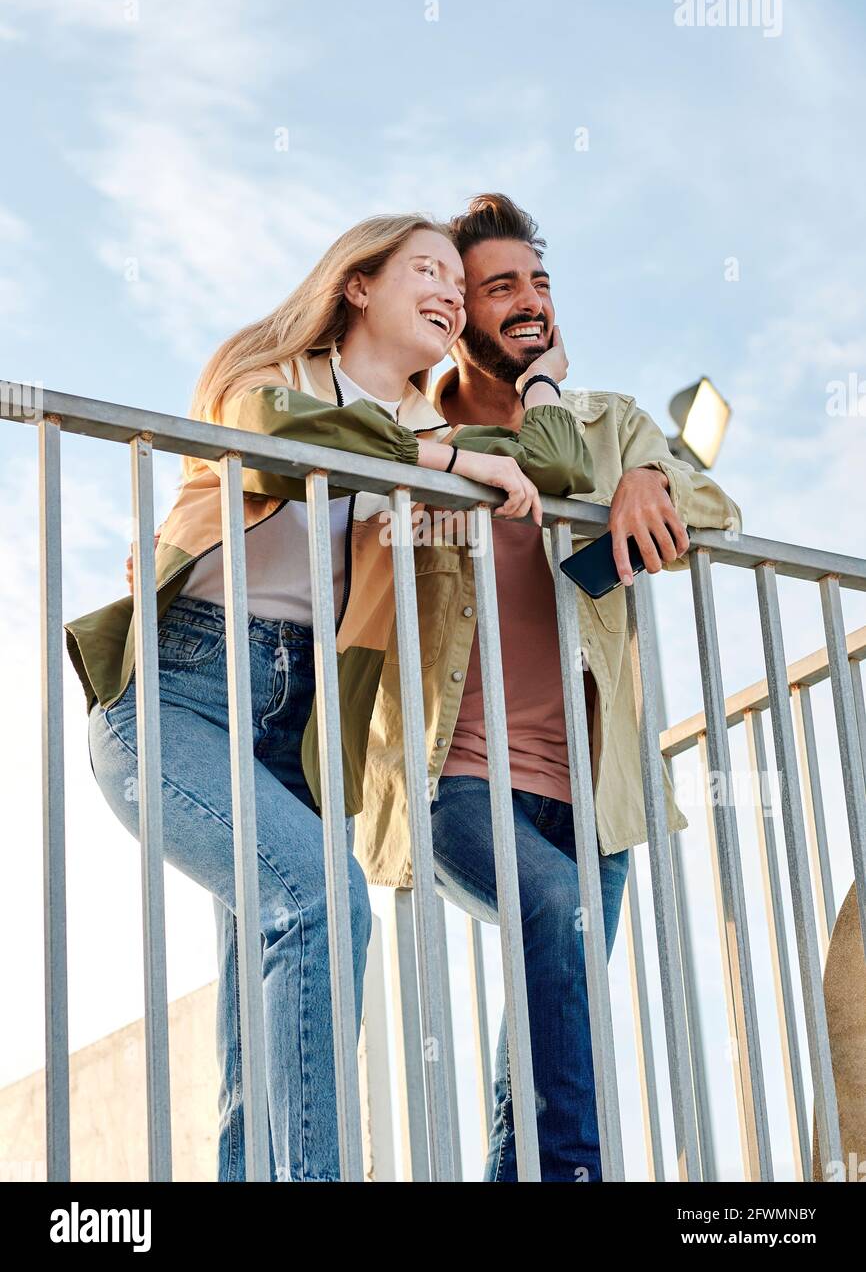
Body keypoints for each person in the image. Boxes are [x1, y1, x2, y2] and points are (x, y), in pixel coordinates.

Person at [71, 211, 593, 1181]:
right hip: (179, 692)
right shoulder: (263, 370)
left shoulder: (422, 433)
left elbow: (555, 470)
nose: (448, 290)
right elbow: (282, 440)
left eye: (455, 279)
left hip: (293, 727)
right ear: (357, 283)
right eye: (425, 270)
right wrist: (445, 460)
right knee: (320, 899)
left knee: (262, 986)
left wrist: (540, 385)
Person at [301, 193, 745, 1181]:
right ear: (457, 307)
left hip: (599, 801)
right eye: (497, 285)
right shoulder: (410, 429)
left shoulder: (608, 422)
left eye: (537, 282)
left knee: (542, 1025)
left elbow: (717, 501)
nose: (527, 300)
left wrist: (650, 483)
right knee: (555, 926)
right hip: (457, 779)